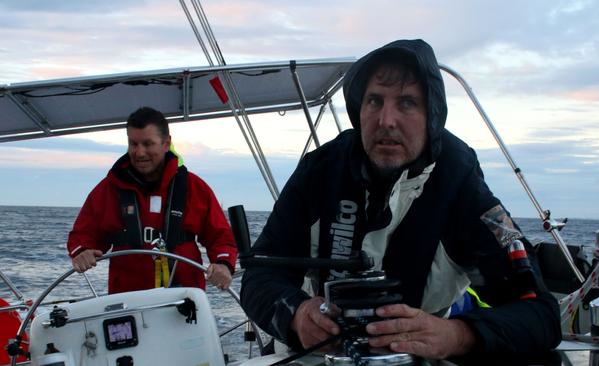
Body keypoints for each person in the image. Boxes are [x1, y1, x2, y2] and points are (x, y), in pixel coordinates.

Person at [240, 39, 561, 359]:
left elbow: (540, 313)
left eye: (407, 103)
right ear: (358, 110)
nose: (386, 120)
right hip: (319, 353)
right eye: (375, 101)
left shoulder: (460, 185)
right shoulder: (320, 172)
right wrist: (297, 315)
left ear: (432, 114)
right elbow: (259, 275)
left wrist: (457, 335)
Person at [67, 107, 237, 293]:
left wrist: (223, 263)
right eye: (134, 144)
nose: (140, 153)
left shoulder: (194, 188)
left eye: (148, 144)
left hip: (184, 301)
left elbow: (221, 236)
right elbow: (82, 234)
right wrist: (82, 251)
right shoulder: (108, 189)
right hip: (126, 302)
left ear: (166, 143)